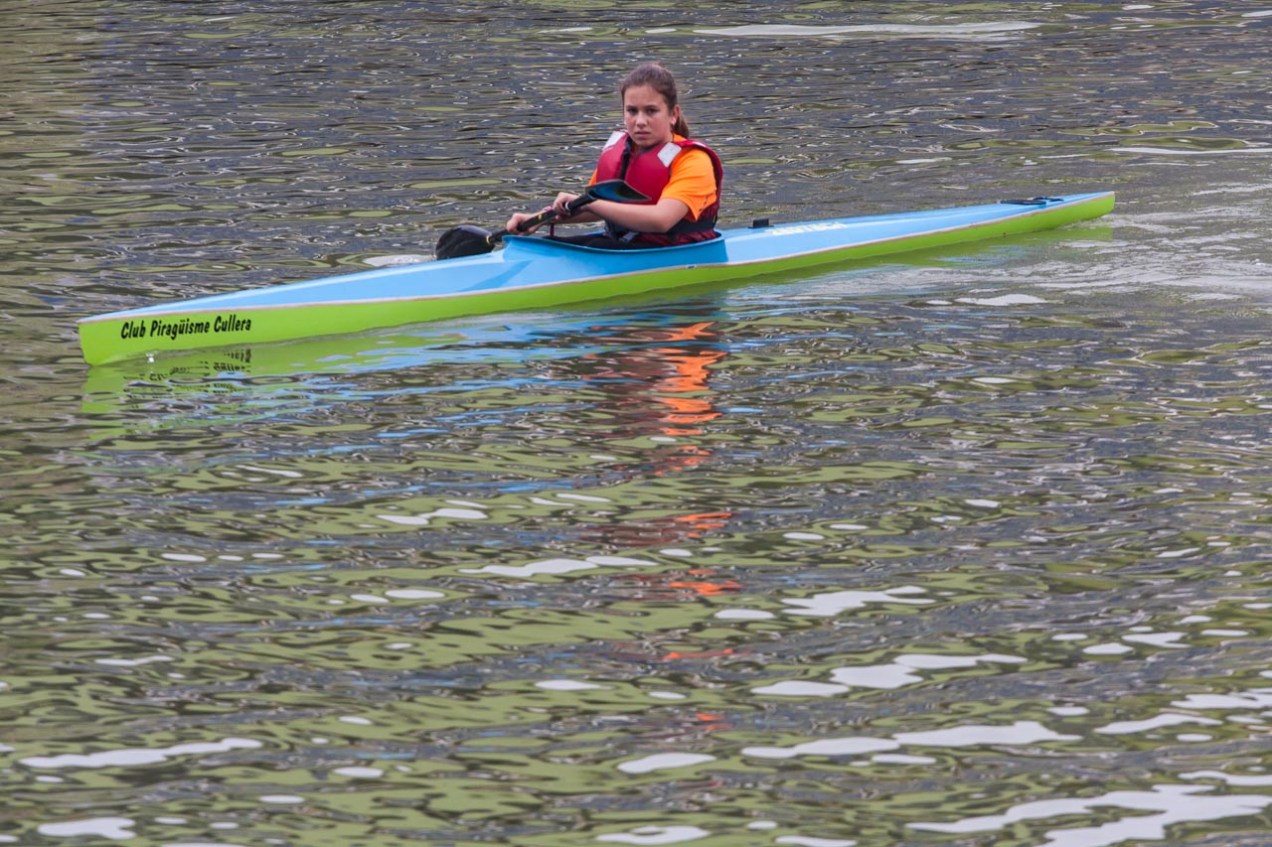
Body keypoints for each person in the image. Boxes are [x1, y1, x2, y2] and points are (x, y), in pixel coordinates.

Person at [505, 62, 723, 249]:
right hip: (621, 244)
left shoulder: (693, 160)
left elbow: (661, 220)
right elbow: (602, 208)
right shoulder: (622, 151)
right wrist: (539, 219)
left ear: (673, 114)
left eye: (651, 111)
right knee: (544, 244)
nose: (639, 122)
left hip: (672, 251)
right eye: (632, 111)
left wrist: (590, 204)